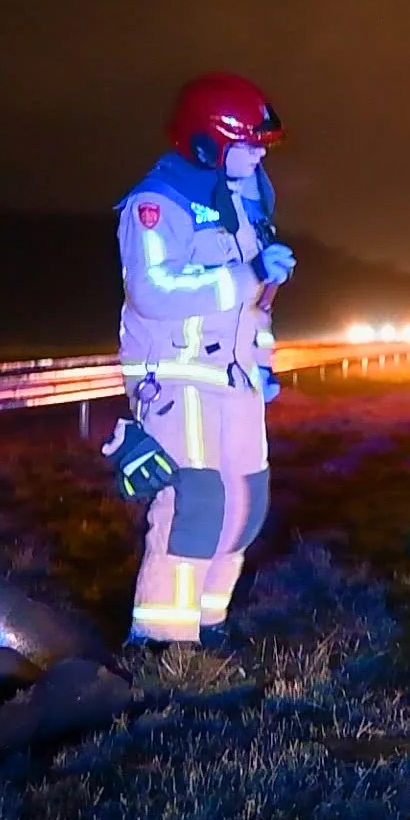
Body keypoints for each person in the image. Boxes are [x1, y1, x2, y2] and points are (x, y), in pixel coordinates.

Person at [112, 72, 296, 645]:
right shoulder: (156, 204)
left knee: (247, 501)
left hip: (235, 379)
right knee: (196, 500)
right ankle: (163, 642)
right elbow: (154, 291)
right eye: (247, 144)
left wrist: (262, 362)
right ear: (207, 141)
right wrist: (250, 273)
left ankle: (208, 622)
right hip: (177, 377)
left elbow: (253, 311)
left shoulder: (245, 201)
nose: (257, 154)